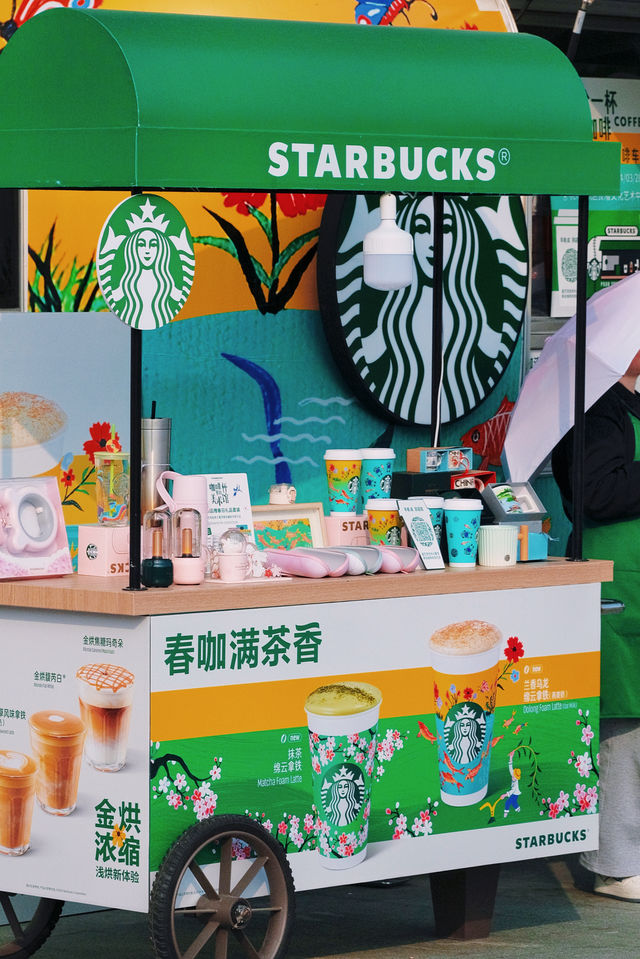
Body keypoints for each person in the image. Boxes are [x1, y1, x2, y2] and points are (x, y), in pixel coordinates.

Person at [552, 347, 640, 902]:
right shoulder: (594, 410)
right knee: (622, 726)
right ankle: (615, 863)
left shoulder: (631, 404)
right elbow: (595, 494)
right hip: (616, 589)